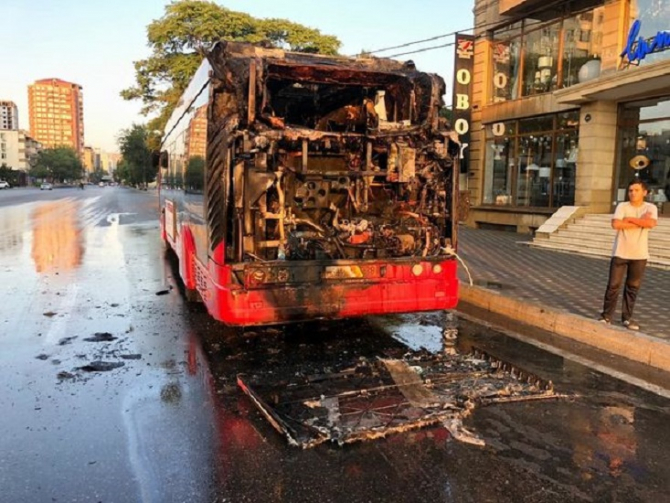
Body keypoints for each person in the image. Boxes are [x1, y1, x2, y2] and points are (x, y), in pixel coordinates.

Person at [600, 179, 657, 330]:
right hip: (620, 251)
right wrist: (640, 222)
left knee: (633, 287)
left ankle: (626, 318)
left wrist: (630, 219)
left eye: (636, 190)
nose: (632, 193)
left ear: (644, 192)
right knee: (613, 285)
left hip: (639, 254)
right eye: (630, 190)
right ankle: (606, 316)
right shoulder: (622, 206)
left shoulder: (650, 207)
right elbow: (616, 224)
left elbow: (651, 224)